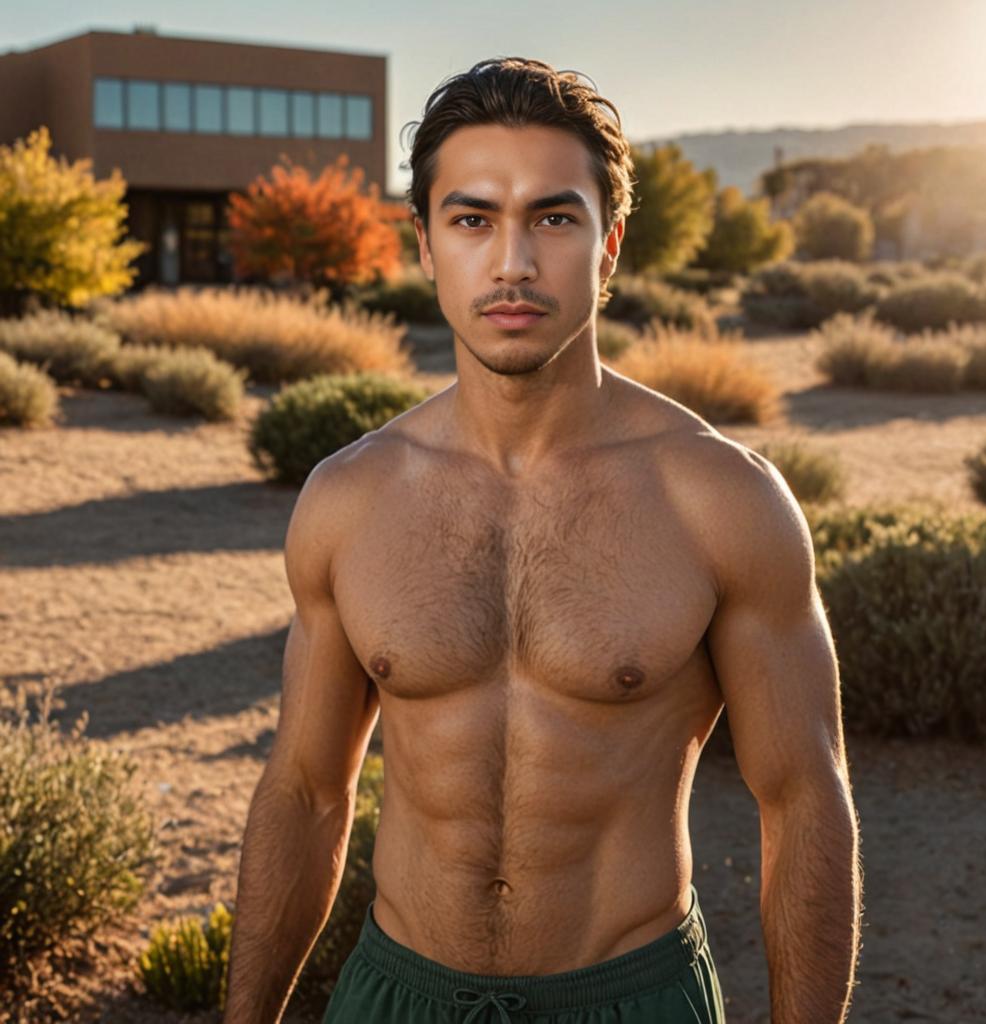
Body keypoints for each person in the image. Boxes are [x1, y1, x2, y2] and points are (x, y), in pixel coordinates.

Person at [223, 57, 862, 1024]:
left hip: (628, 997)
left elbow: (805, 802)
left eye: (554, 219)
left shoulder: (720, 499)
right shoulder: (349, 498)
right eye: (473, 219)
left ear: (608, 248)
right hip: (398, 995)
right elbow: (307, 793)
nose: (512, 262)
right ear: (427, 247)